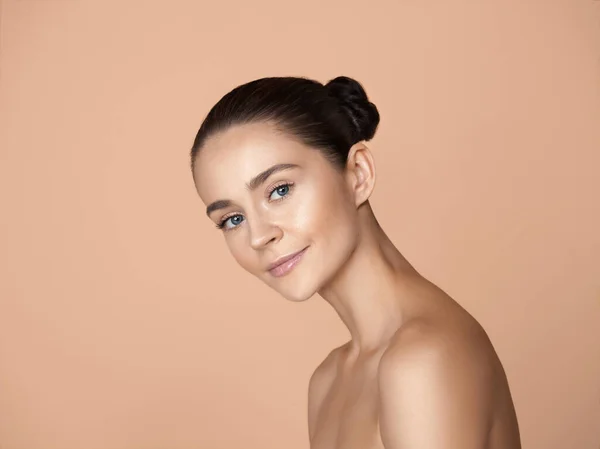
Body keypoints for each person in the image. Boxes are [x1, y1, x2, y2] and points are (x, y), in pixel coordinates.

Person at [189, 75, 522, 449]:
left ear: (358, 174)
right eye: (232, 219)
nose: (258, 235)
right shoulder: (329, 380)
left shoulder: (423, 359)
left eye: (279, 190)